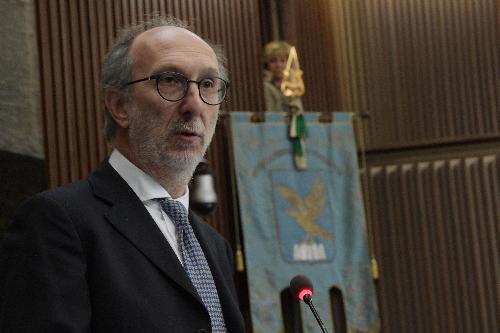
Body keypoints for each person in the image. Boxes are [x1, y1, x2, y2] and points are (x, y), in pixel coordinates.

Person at [0, 16, 245, 333]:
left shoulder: (215, 246)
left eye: (208, 84)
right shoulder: (58, 222)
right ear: (119, 105)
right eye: (170, 80)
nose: (194, 104)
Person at [263, 40, 304, 113]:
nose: (278, 65)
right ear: (267, 64)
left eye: (282, 61)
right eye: (273, 61)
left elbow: (298, 111)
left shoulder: (295, 84)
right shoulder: (265, 86)